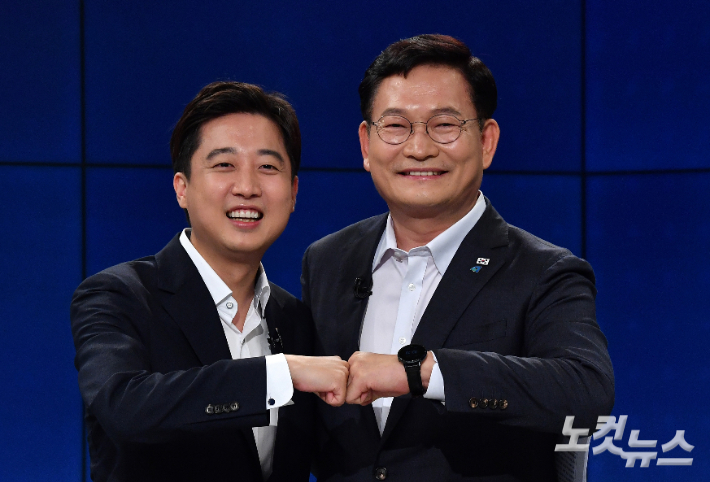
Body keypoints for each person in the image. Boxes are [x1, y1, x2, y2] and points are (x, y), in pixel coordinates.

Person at [301, 34, 614, 481]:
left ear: (486, 141)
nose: (419, 148)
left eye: (444, 125)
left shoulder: (543, 271)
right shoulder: (328, 261)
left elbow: (587, 393)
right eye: (396, 126)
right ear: (367, 145)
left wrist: (421, 372)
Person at [71, 81, 348, 482]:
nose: (247, 187)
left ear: (293, 192)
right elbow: (123, 408)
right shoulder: (117, 295)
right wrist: (278, 375)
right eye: (224, 165)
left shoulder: (295, 319)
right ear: (182, 188)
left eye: (268, 167)